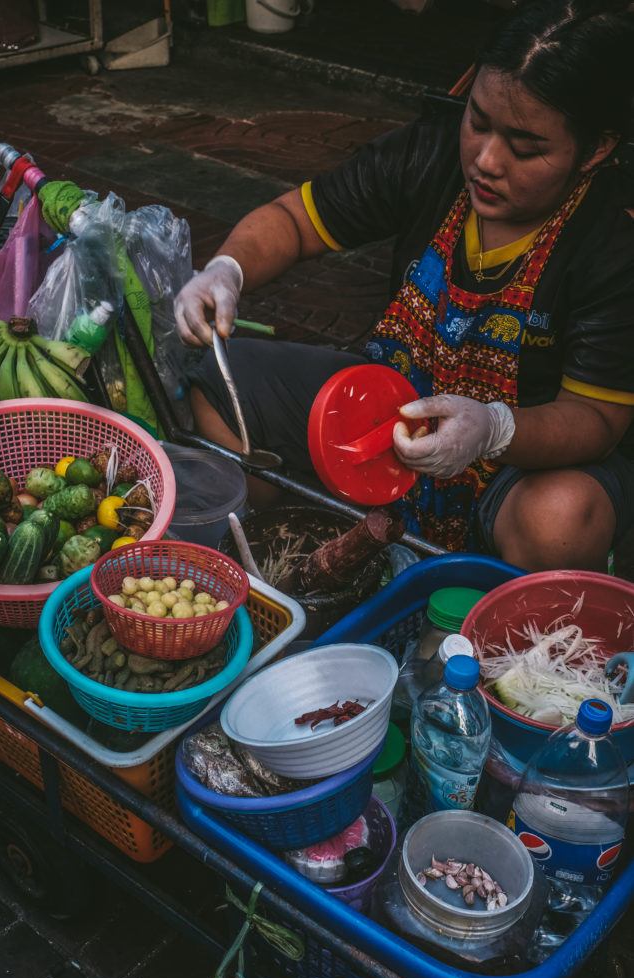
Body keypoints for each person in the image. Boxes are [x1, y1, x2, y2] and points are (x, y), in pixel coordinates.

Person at [173, 0, 634, 572]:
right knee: (222, 385)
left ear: (596, 148)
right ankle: (293, 556)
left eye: (525, 147)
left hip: (524, 459)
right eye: (479, 122)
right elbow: (293, 222)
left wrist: (494, 429)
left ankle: (491, 617)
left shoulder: (613, 241)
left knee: (563, 516)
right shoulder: (429, 154)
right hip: (389, 407)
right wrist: (227, 269)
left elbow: (594, 419)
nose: (486, 160)